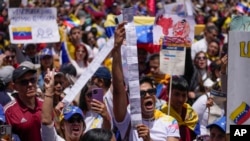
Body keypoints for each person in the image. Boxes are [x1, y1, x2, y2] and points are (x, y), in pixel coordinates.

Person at [112, 22, 180, 141]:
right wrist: (117, 49)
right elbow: (118, 89)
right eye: (142, 94)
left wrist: (148, 139)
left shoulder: (169, 121)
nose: (147, 95)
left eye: (151, 91)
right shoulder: (128, 119)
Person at [41, 68, 85, 141]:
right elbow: (46, 123)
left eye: (61, 83)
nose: (59, 86)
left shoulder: (68, 102)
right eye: (55, 83)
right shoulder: (44, 105)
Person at [4, 62, 43, 141]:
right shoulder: (8, 112)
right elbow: (4, 138)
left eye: (32, 80)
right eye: (24, 82)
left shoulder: (44, 105)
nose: (30, 84)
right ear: (14, 86)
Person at [160, 76, 200, 141]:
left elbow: (197, 136)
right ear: (168, 93)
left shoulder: (191, 114)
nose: (180, 99)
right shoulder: (162, 115)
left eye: (184, 95)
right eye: (176, 94)